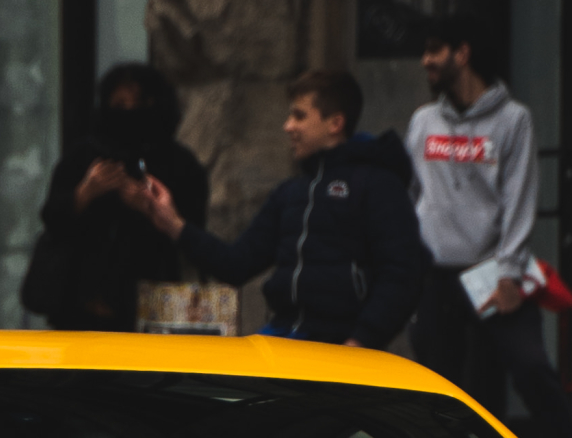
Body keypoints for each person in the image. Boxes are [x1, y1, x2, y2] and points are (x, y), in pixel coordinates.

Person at [405, 16, 572, 438]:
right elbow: (410, 194)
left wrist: (509, 274)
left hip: (492, 273)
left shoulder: (513, 120)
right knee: (436, 382)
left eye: (434, 50)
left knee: (531, 368)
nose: (425, 60)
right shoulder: (424, 121)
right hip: (436, 276)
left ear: (462, 53)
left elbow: (519, 197)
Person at [136, 67, 425, 347]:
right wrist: (174, 224)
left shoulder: (378, 186)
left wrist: (361, 341)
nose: (288, 126)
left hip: (341, 348)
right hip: (282, 338)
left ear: (335, 123)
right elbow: (237, 263)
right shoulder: (291, 193)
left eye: (299, 116)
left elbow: (401, 275)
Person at [25, 61, 207, 332]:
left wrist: (151, 209)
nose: (130, 113)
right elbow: (53, 220)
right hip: (78, 310)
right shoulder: (83, 157)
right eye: (120, 105)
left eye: (139, 104)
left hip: (152, 309)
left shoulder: (178, 163)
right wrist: (84, 193)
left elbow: (193, 232)